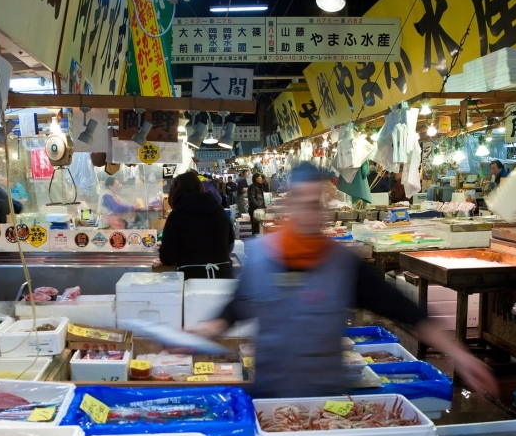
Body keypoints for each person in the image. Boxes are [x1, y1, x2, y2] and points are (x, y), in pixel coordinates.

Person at [194, 162, 499, 399]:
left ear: (325, 210)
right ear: (288, 205)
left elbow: (407, 311)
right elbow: (234, 309)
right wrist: (201, 332)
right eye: (301, 201)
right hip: (269, 398)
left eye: (316, 204)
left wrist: (460, 354)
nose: (308, 212)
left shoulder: (343, 266)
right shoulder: (260, 259)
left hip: (327, 401)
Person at [159, 171, 234, 280]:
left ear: (175, 191)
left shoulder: (176, 216)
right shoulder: (219, 211)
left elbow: (167, 257)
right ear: (200, 187)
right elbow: (230, 246)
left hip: (191, 279)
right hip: (223, 277)